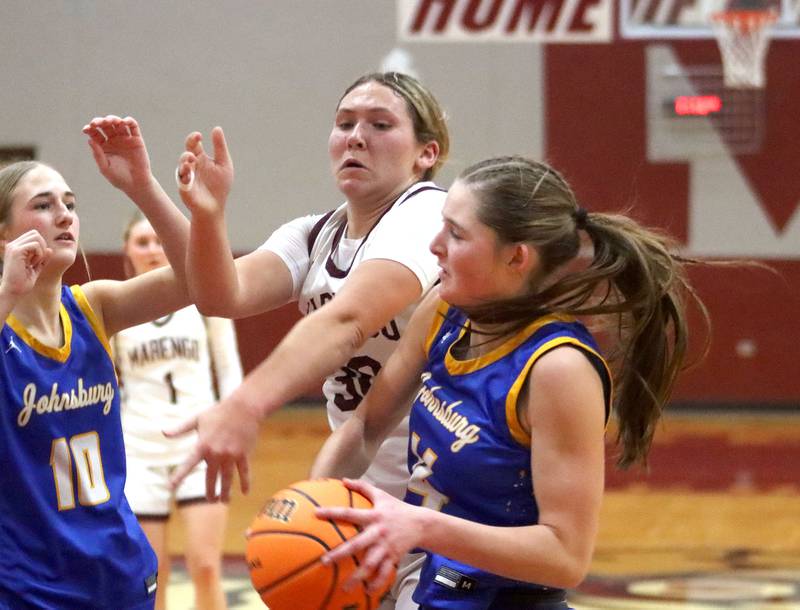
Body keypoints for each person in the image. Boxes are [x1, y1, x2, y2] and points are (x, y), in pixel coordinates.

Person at [309, 155, 706, 610]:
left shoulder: (557, 368)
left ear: (516, 257)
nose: (434, 244)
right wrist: (312, 509)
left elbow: (566, 556)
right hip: (436, 589)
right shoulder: (443, 309)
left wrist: (419, 526)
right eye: (442, 226)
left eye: (457, 234)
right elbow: (365, 427)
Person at [168, 71, 450, 610]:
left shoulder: (427, 214)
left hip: (439, 496)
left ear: (425, 153)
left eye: (380, 124)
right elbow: (221, 295)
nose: (355, 137)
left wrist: (246, 405)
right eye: (344, 124)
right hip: (356, 478)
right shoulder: (317, 233)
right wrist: (209, 216)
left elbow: (347, 322)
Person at [0, 117, 193, 609]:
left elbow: (200, 277)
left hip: (119, 570)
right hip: (32, 586)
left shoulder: (92, 306)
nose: (64, 215)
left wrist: (143, 188)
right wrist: (8, 290)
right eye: (42, 206)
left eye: (70, 204)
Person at [115, 210, 243, 610]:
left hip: (198, 446)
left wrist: (233, 428)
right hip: (139, 450)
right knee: (153, 575)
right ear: (127, 251)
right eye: (141, 242)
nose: (152, 249)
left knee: (205, 566)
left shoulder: (203, 300)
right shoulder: (114, 308)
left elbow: (228, 369)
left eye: (158, 239)